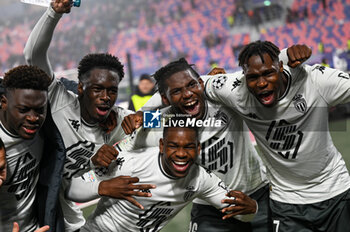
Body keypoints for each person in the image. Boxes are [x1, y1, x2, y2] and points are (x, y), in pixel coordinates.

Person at [121, 45, 311, 232]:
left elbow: (254, 72)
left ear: (201, 85)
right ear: (165, 99)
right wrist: (139, 113)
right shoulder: (162, 119)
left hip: (257, 195)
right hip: (210, 208)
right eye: (177, 92)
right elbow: (131, 137)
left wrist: (287, 55)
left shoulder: (221, 98)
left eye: (192, 85)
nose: (187, 95)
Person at [24, 0, 154, 231]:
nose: (106, 97)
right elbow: (33, 55)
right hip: (26, 195)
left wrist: (145, 117)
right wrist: (54, 13)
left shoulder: (120, 119)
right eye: (98, 89)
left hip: (63, 211)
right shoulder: (58, 98)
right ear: (81, 88)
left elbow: (165, 123)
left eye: (112, 91)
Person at [204, 40, 350, 231]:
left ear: (281, 67)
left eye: (268, 73)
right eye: (253, 77)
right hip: (286, 202)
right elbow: (188, 86)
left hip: (335, 192)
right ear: (244, 77)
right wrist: (149, 116)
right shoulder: (236, 90)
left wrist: (285, 53)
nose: (262, 83)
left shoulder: (315, 80)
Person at [67, 120, 258, 231]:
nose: (181, 154)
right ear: (161, 146)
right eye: (174, 146)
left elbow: (242, 214)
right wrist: (102, 187)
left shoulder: (201, 179)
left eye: (189, 147)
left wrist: (253, 208)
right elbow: (72, 190)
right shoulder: (129, 163)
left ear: (198, 149)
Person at [0, 65, 51, 232]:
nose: (33, 118)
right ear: (4, 103)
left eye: (39, 110)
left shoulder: (46, 129)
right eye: (23, 110)